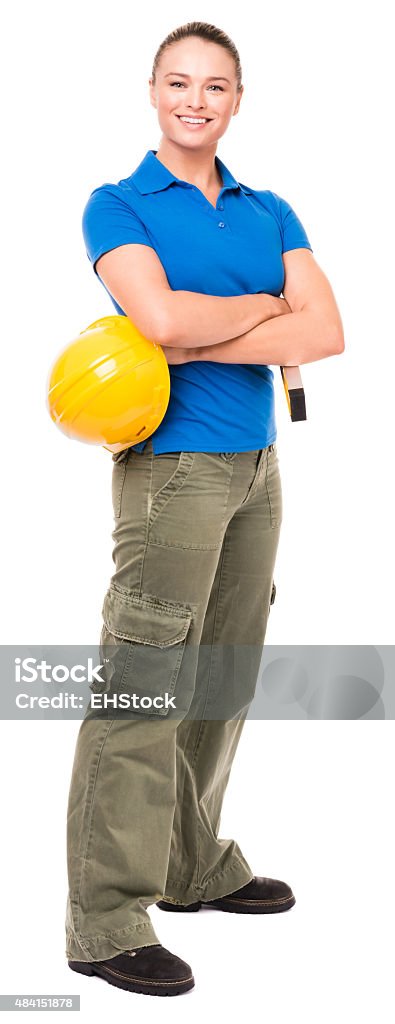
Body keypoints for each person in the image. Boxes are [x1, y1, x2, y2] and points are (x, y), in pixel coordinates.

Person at [65, 21, 344, 998]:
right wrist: (267, 317)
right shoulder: (117, 203)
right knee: (144, 682)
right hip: (170, 468)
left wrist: (231, 325)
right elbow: (159, 320)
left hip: (255, 466)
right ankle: (104, 918)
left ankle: (188, 865)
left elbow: (328, 328)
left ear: (234, 100)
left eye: (214, 85)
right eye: (178, 82)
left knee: (220, 675)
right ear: (153, 92)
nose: (195, 100)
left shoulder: (269, 210)